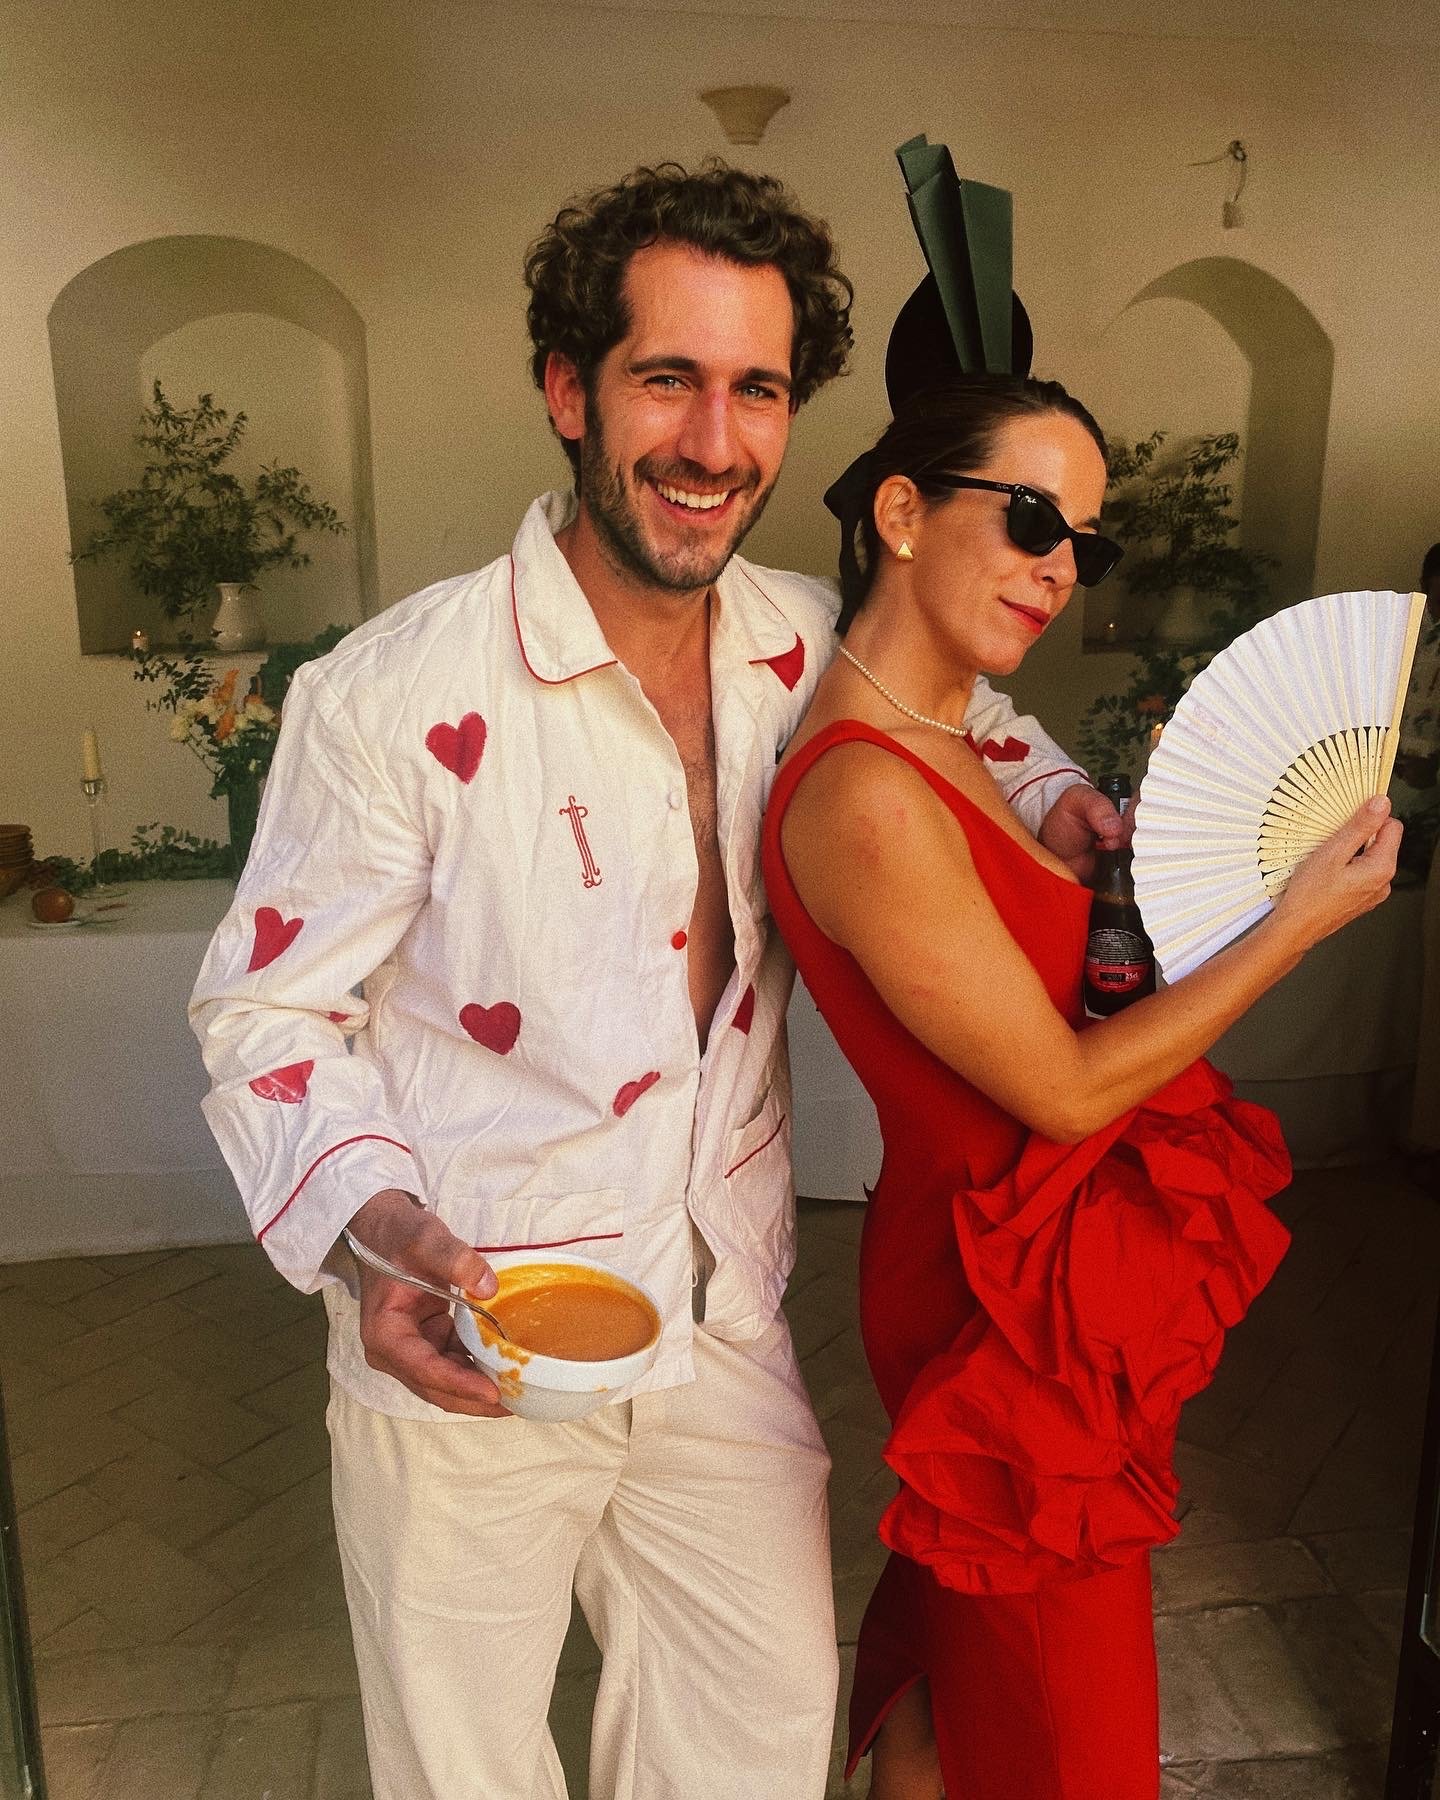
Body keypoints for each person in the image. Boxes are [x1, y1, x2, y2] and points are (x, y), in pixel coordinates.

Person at [191, 163, 1130, 1800]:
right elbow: (266, 1012)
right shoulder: (392, 693)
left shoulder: (807, 642)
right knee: (467, 1773)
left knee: (756, 1740)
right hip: (474, 1326)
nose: (713, 441)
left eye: (756, 389)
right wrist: (371, 1231)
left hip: (719, 1321)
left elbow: (967, 713)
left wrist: (1059, 797)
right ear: (570, 390)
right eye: (667, 379)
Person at [762, 373, 1402, 1800]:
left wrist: (1102, 875)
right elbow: (1057, 1090)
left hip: (1046, 1279)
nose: (1060, 566)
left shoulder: (950, 746)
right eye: (1034, 518)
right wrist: (1292, 923)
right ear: (903, 511)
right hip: (996, 1306)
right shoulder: (866, 788)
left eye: (1085, 543)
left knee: (964, 1680)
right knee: (1072, 1734)